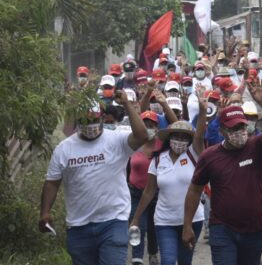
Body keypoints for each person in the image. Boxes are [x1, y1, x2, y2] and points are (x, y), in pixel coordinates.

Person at [182, 77, 262, 265]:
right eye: (233, 128)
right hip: (222, 229)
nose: (239, 131)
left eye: (241, 126)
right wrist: (188, 224)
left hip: (254, 228)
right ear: (223, 130)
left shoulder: (258, 146)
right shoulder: (210, 156)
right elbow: (194, 190)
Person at [39, 91, 149, 264]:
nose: (91, 125)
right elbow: (52, 182)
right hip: (79, 226)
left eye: (94, 120)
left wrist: (127, 105)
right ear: (78, 121)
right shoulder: (64, 149)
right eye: (86, 121)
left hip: (113, 221)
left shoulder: (117, 140)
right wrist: (45, 212)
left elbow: (142, 136)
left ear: (103, 118)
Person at [131, 96, 207, 265]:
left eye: (184, 137)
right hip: (164, 220)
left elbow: (200, 135)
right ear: (169, 138)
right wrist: (136, 218)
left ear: (189, 141)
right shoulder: (158, 160)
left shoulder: (194, 155)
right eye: (176, 136)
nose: (179, 140)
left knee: (184, 261)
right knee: (167, 261)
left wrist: (202, 111)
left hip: (193, 220)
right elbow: (149, 191)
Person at [128, 111, 160, 265]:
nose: (148, 128)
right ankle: (137, 258)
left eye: (151, 126)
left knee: (153, 227)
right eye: (144, 125)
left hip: (157, 194)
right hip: (135, 192)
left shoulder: (162, 146)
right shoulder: (132, 144)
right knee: (138, 225)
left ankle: (153, 253)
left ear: (157, 128)